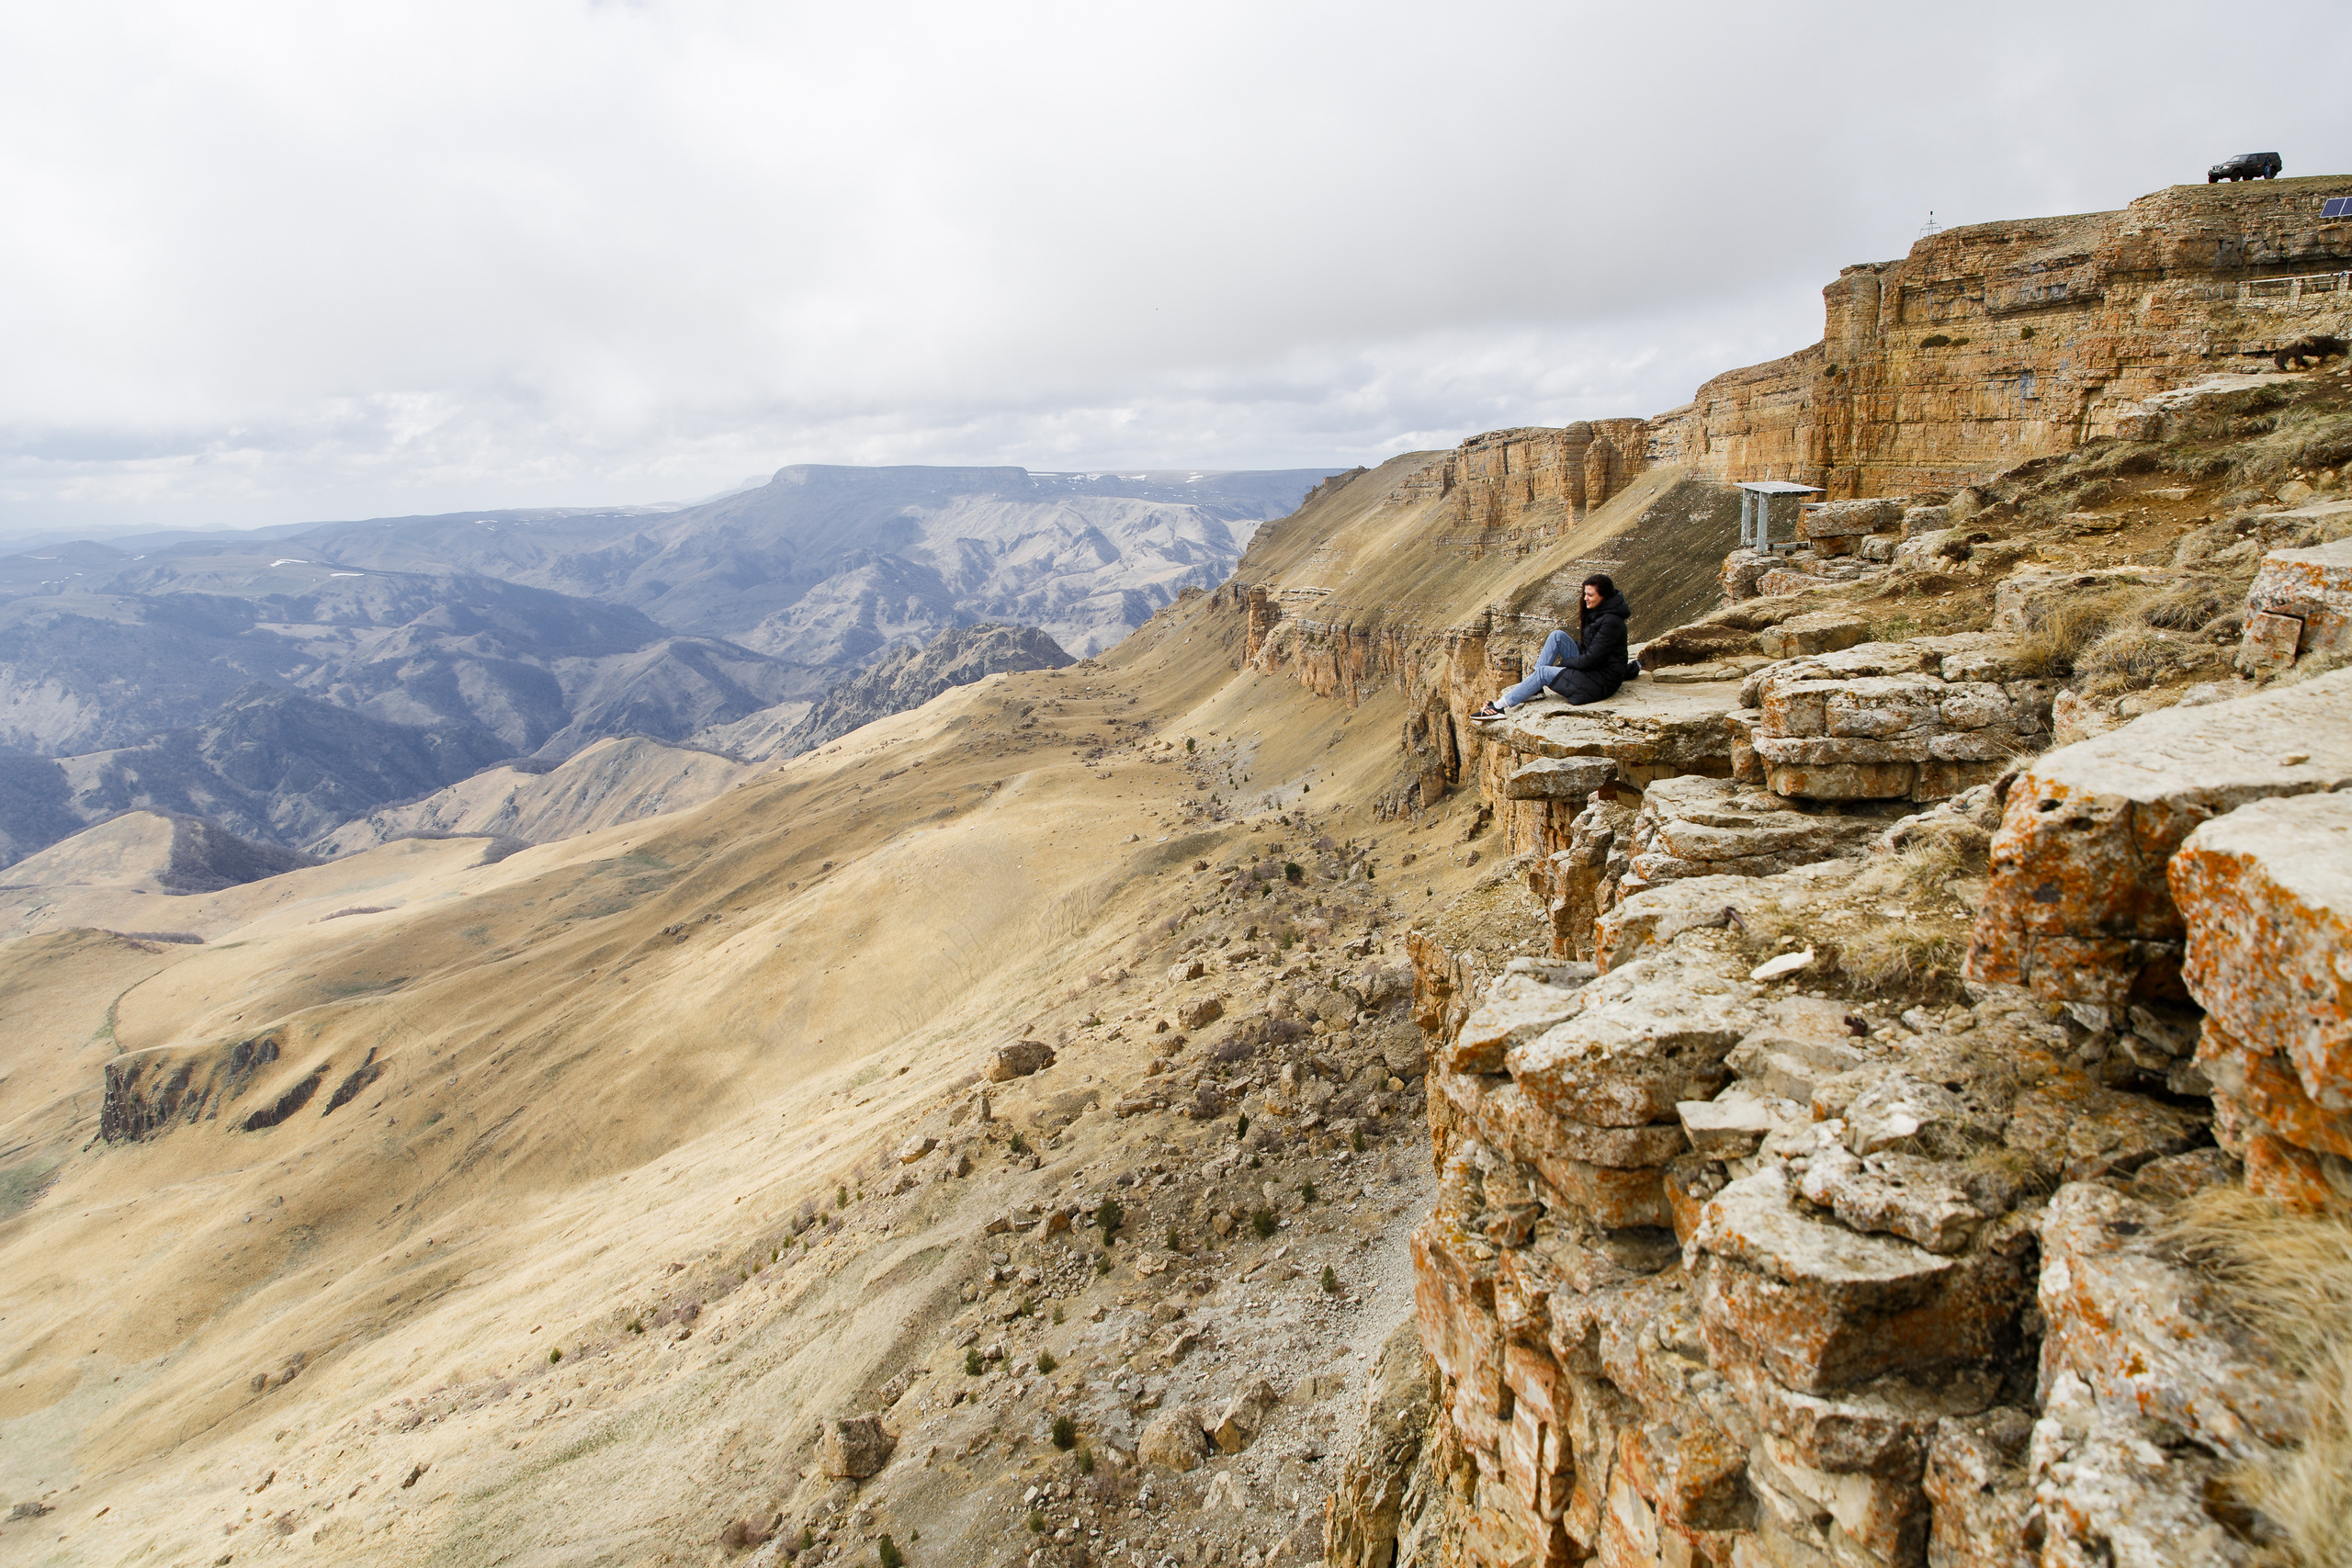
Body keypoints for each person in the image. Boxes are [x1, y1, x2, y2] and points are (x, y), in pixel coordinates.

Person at [1471, 575, 1636, 716]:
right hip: (1595, 670)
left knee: (1544, 673)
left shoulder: (1611, 622)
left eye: (1590, 595)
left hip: (1599, 682)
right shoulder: (1600, 612)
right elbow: (1596, 649)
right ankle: (1535, 690)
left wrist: (1564, 665)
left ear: (1604, 596)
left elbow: (1592, 659)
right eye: (1585, 593)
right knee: (1557, 636)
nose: (1585, 598)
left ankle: (1500, 707)